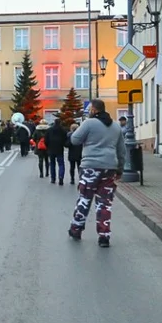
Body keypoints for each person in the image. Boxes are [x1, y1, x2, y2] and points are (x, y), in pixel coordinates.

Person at [68, 99, 126, 247]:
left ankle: (76, 229)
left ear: (93, 110)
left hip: (90, 167)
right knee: (105, 202)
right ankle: (104, 235)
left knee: (85, 199)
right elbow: (121, 151)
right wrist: (119, 169)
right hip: (110, 167)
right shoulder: (116, 127)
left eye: (90, 110)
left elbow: (75, 140)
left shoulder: (89, 123)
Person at [45, 119, 68, 186]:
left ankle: (53, 178)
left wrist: (48, 146)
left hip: (51, 149)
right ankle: (61, 177)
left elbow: (46, 140)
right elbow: (65, 139)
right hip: (59, 149)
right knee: (61, 164)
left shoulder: (49, 130)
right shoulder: (63, 130)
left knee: (52, 164)